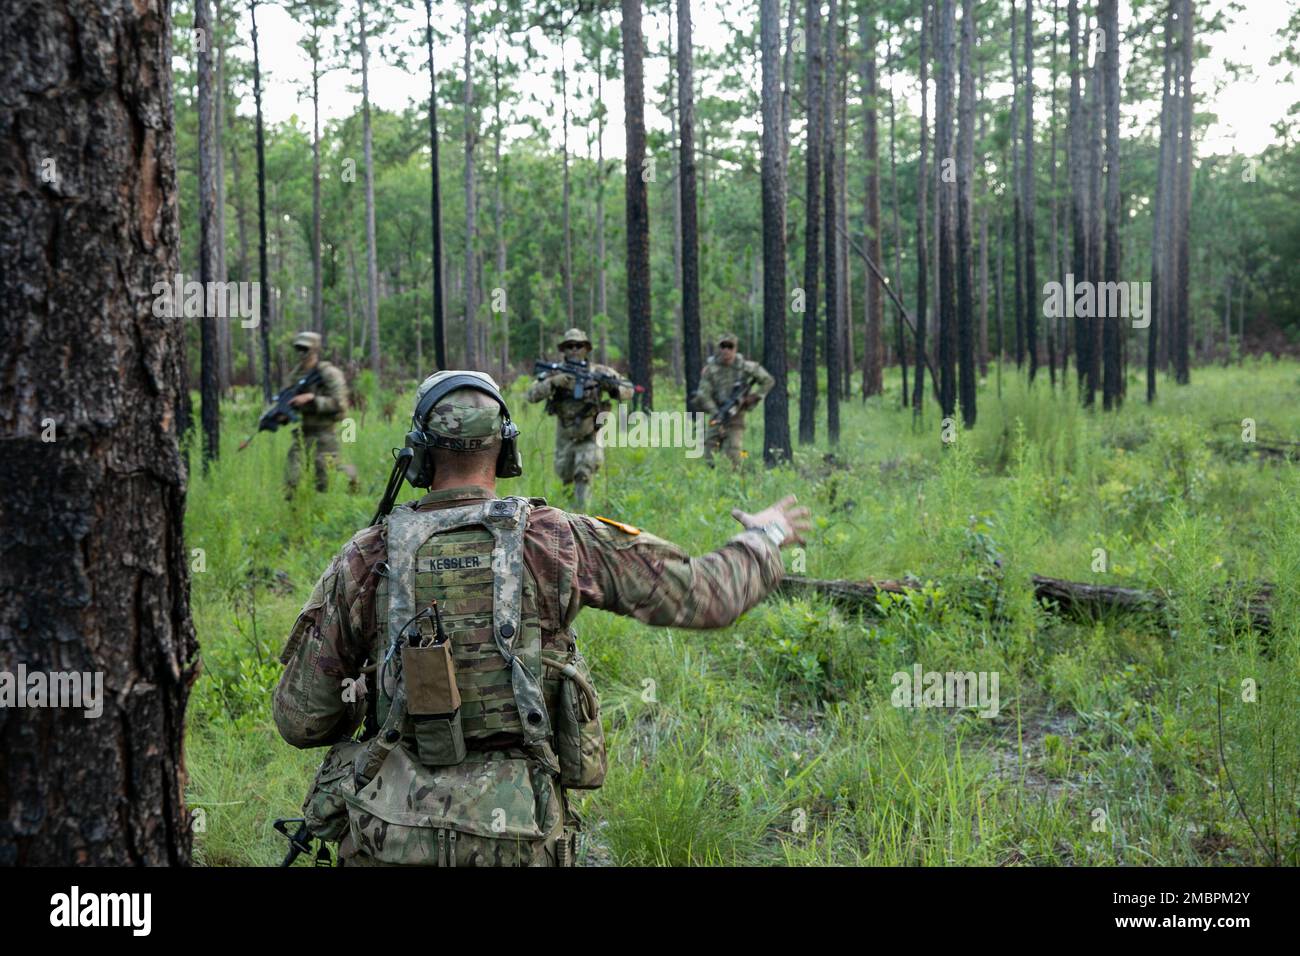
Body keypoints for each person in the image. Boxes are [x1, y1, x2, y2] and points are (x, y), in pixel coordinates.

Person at [273, 369, 810, 867]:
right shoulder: (558, 539)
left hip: (388, 835)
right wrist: (764, 537)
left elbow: (302, 720)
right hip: (521, 836)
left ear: (417, 454)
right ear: (506, 448)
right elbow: (706, 595)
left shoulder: (366, 556)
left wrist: (369, 692)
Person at [526, 328, 633, 508]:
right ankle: (569, 519)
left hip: (589, 432)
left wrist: (612, 387)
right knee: (566, 478)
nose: (574, 349)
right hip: (565, 434)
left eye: (578, 345)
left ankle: (582, 517)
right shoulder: (554, 372)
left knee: (583, 474)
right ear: (564, 350)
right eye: (570, 346)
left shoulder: (598, 371)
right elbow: (531, 395)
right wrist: (552, 383)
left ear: (586, 348)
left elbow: (628, 389)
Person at [283, 331, 358, 496]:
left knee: (323, 481)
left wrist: (312, 399)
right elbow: (288, 401)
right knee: (292, 477)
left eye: (305, 349)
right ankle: (293, 511)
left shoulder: (328, 373)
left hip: (325, 434)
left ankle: (350, 476)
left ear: (315, 350)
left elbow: (340, 404)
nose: (302, 353)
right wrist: (283, 413)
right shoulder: (296, 375)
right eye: (299, 349)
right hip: (303, 433)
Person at [693, 334, 775, 466]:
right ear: (719, 348)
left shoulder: (745, 367)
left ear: (735, 348)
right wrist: (716, 412)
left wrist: (754, 397)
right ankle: (712, 481)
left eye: (730, 346)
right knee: (708, 451)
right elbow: (704, 394)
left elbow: (768, 381)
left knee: (734, 452)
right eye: (723, 346)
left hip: (736, 416)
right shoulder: (711, 369)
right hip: (717, 413)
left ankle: (734, 480)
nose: (726, 350)